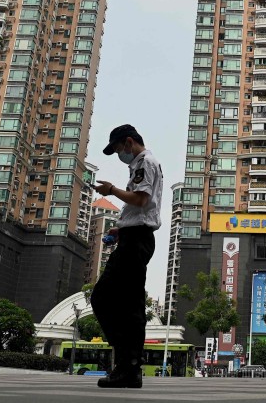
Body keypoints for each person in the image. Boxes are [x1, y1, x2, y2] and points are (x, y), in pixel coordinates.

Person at [90, 124, 163, 389]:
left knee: (113, 300)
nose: (119, 154)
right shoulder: (141, 164)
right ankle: (128, 364)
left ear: (129, 142)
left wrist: (111, 190)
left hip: (138, 240)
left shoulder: (145, 162)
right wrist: (122, 229)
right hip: (133, 237)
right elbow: (142, 207)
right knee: (121, 302)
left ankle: (129, 365)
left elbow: (141, 199)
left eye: (119, 148)